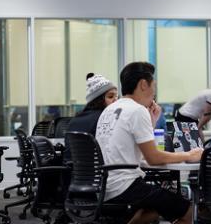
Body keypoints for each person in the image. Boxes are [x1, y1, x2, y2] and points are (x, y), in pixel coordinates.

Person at [95, 62, 202, 224]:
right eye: (154, 86)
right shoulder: (137, 110)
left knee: (153, 210)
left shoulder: (109, 110)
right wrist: (189, 154)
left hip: (104, 185)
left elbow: (134, 147)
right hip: (125, 186)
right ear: (143, 84)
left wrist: (151, 121)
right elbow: (153, 158)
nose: (154, 92)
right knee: (189, 212)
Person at [64, 73, 118, 161]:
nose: (116, 100)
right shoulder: (104, 119)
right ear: (99, 99)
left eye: (117, 96)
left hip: (72, 172)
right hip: (96, 172)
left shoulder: (75, 119)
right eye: (111, 96)